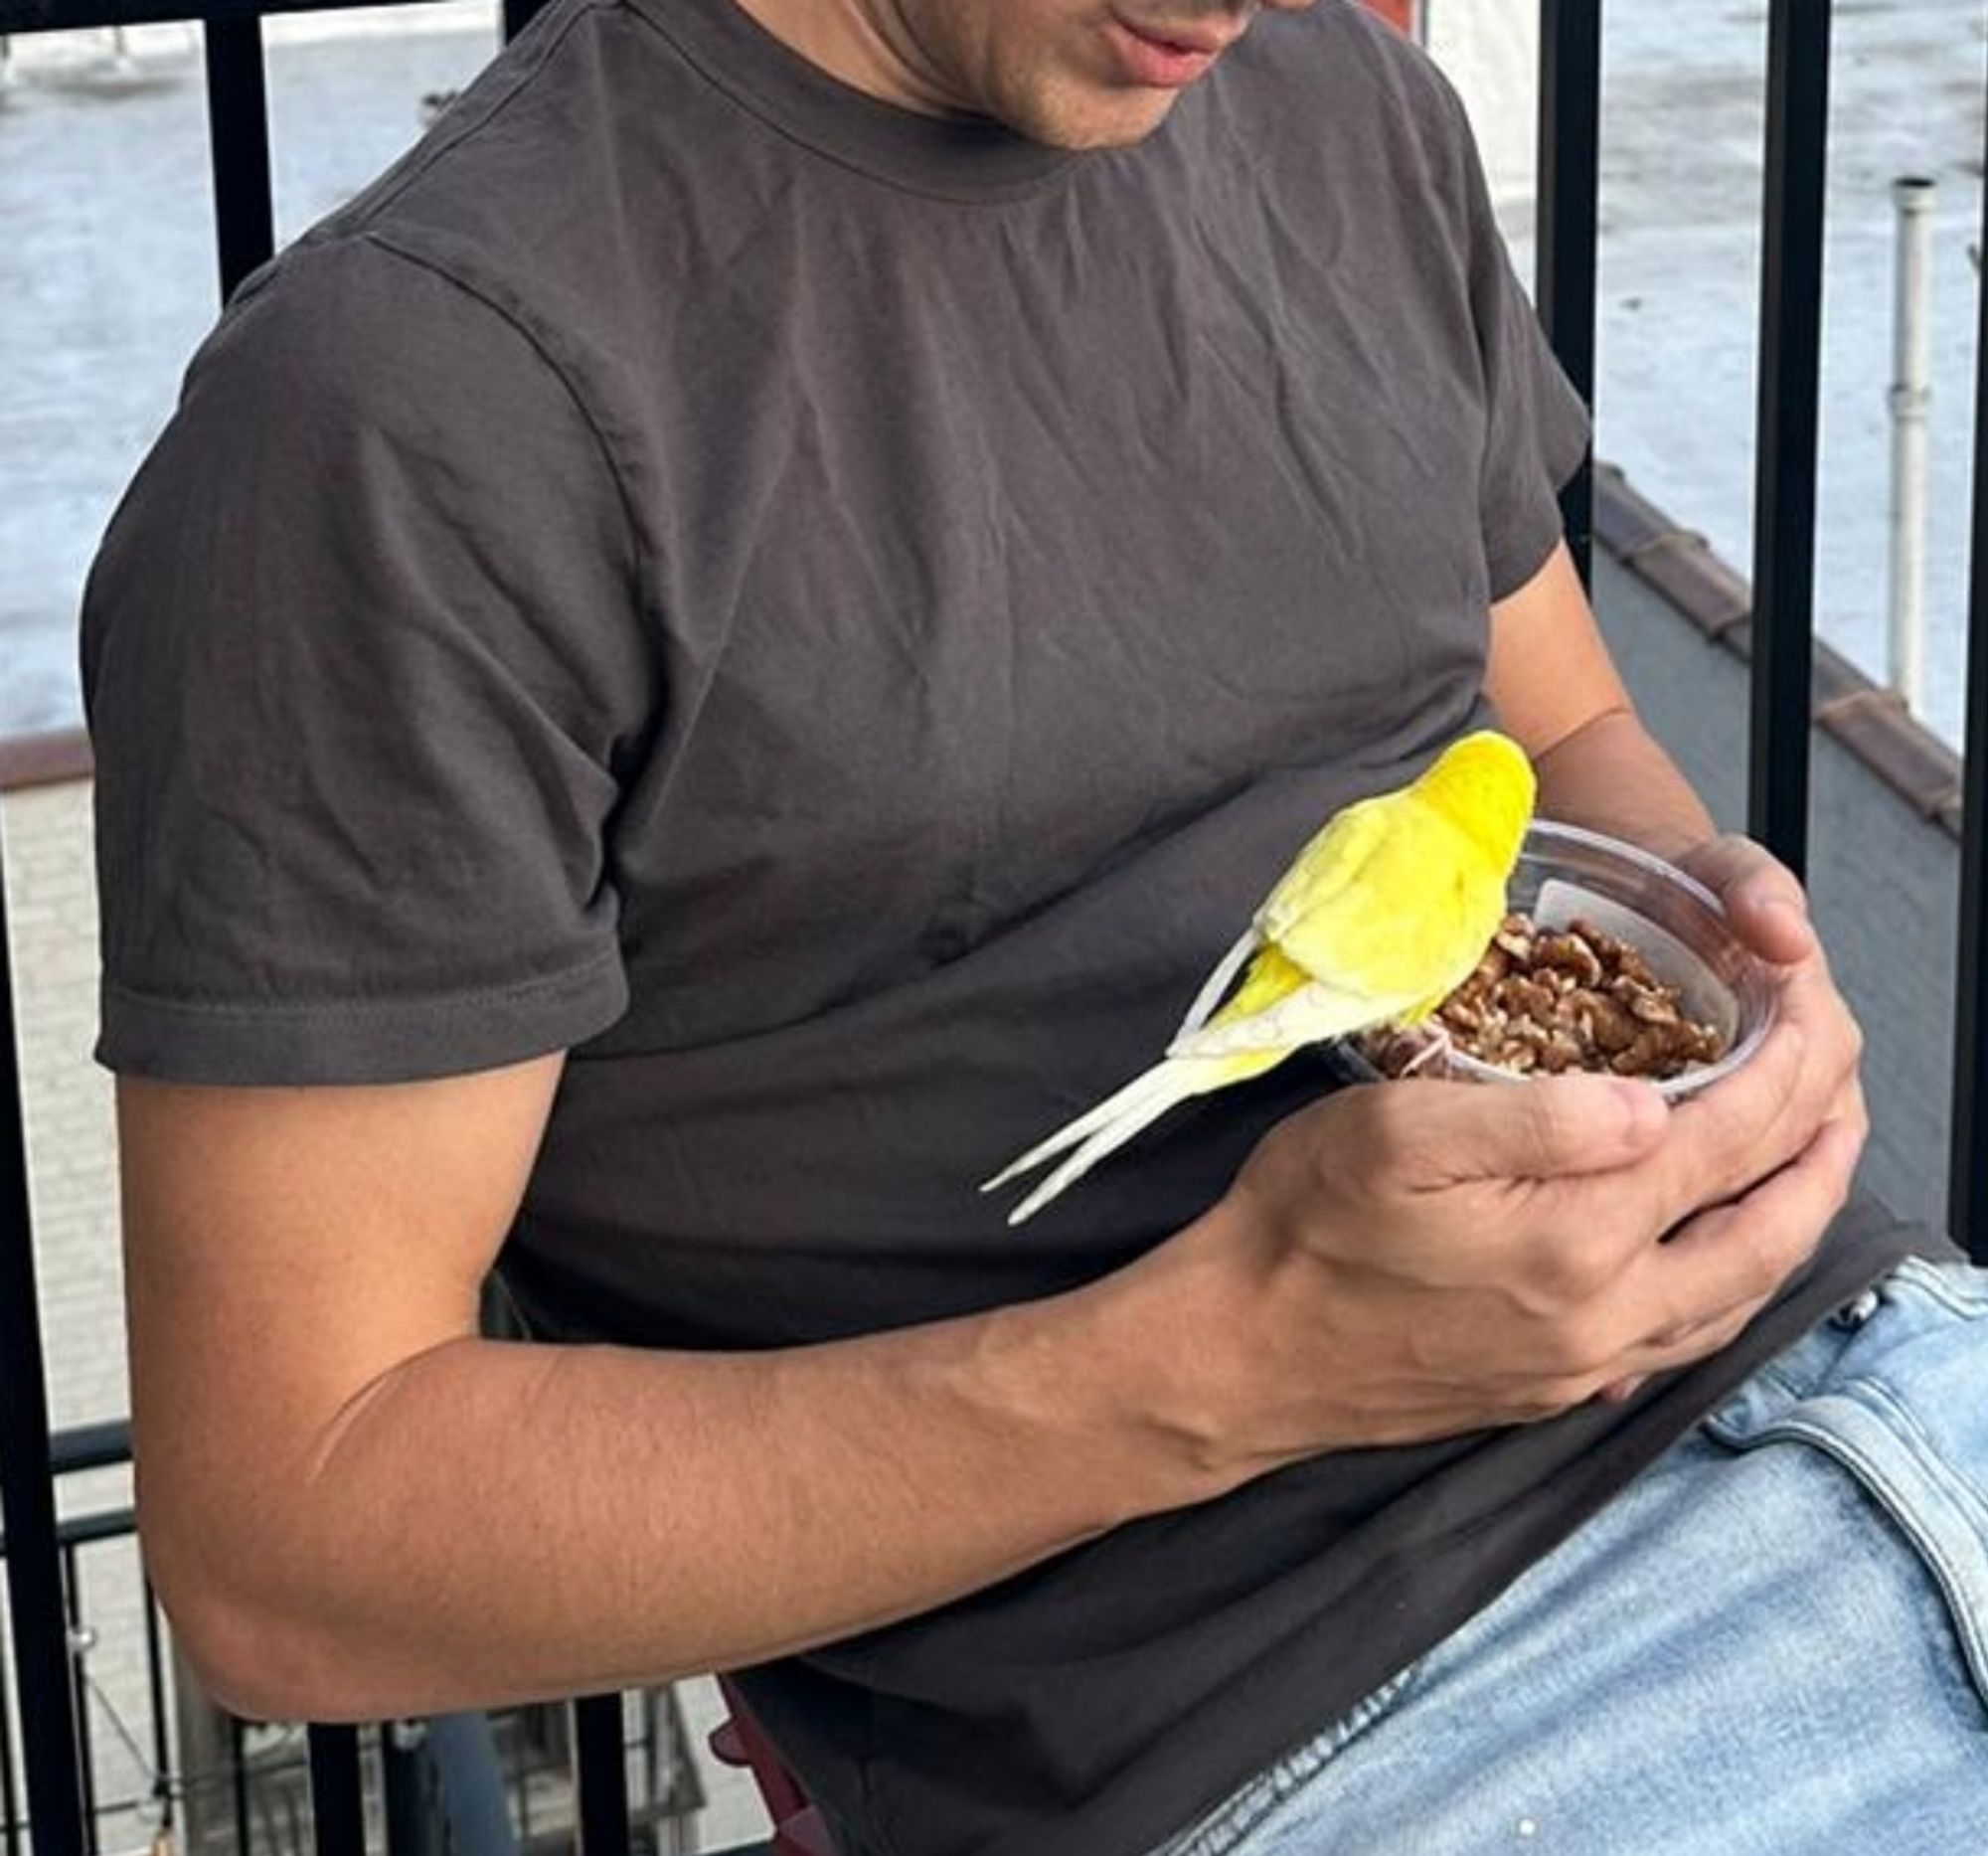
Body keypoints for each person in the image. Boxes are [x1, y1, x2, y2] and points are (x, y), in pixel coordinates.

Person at [80, 1, 1981, 1851]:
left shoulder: (1355, 118)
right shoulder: (408, 411)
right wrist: (1235, 1359)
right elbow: (291, 1543)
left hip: (1888, 1375)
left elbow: (1560, 729)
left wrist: (1730, 974)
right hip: (1328, 1710)